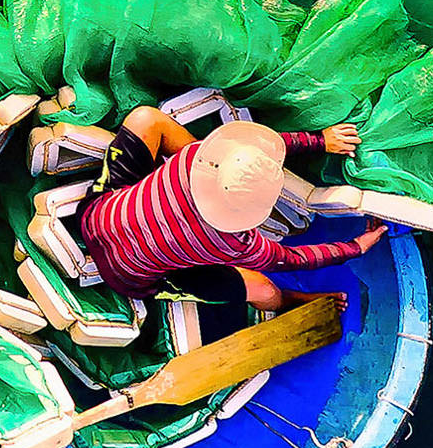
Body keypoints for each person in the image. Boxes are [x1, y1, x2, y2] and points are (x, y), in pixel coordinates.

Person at [76, 112, 376, 316]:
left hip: (95, 215)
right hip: (131, 278)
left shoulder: (190, 158)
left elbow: (255, 148)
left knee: (147, 118)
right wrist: (356, 247)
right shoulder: (236, 244)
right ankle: (286, 303)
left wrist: (319, 140)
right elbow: (292, 260)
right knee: (264, 289)